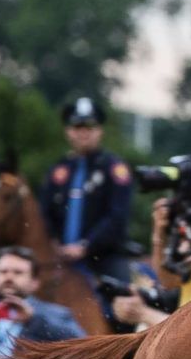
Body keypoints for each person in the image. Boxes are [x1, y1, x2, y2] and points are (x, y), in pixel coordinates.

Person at [40, 97, 135, 286]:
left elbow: (117, 216)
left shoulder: (114, 169)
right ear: (68, 132)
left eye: (89, 128)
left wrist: (85, 247)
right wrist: (54, 243)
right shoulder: (59, 170)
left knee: (122, 304)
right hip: (60, 258)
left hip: (104, 258)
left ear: (100, 131)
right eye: (77, 128)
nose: (83, 133)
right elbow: (44, 212)